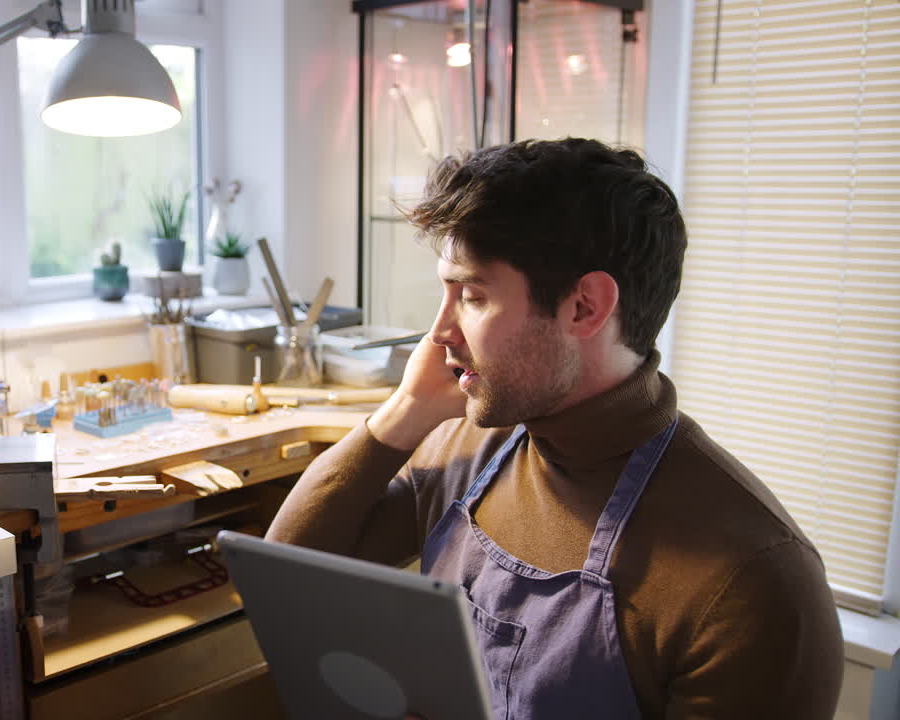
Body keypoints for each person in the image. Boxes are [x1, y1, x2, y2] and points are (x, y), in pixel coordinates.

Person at [266, 138, 843, 719]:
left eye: (470, 295)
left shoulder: (754, 583)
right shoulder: (465, 443)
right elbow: (283, 579)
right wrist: (403, 413)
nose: (438, 332)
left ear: (585, 307)